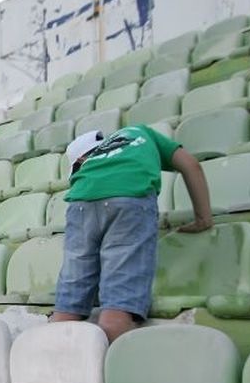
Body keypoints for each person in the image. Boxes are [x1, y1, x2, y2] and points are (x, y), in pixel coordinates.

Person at [51, 127, 213, 343]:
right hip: (128, 196)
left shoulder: (98, 154)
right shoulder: (144, 133)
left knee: (69, 302)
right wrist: (203, 218)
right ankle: (108, 371)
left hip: (80, 201)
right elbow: (191, 165)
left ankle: (59, 363)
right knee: (118, 305)